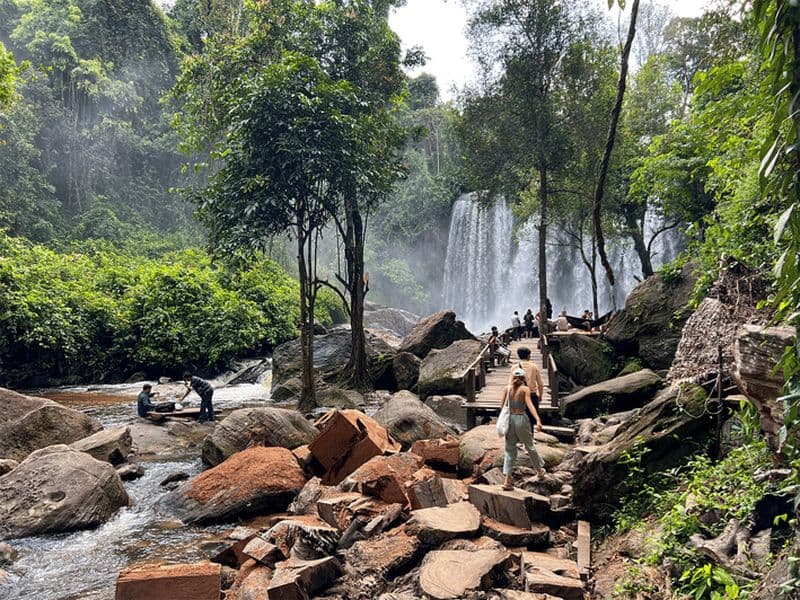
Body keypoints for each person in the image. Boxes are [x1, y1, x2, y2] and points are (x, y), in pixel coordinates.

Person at [499, 367, 544, 490]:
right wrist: (538, 420)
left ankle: (507, 481)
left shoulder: (506, 389)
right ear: (524, 378)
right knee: (529, 446)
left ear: (513, 377)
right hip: (521, 419)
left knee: (509, 449)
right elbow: (530, 406)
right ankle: (539, 470)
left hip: (510, 420)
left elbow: (502, 406)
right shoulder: (525, 389)